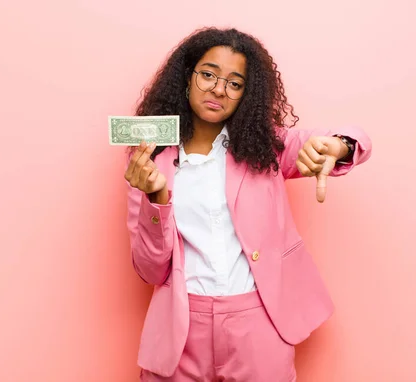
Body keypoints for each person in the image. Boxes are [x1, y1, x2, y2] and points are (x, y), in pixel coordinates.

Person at [124, 27, 372, 382]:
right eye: (208, 74)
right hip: (181, 327)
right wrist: (156, 200)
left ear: (245, 94)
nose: (218, 90)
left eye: (234, 83)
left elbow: (351, 140)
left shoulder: (266, 146)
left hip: (258, 320)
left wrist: (339, 146)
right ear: (187, 76)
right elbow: (149, 269)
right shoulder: (150, 157)